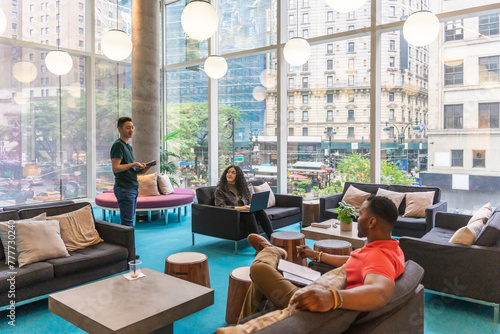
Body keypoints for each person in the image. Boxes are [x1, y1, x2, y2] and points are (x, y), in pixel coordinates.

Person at [237, 194, 405, 322]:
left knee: (259, 268)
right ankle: (242, 323)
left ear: (371, 222)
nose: (356, 218)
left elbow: (381, 293)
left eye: (360, 214)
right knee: (260, 279)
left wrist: (332, 298)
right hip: (321, 283)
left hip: (311, 303)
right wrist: (316, 255)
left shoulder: (379, 256)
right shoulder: (391, 248)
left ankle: (272, 251)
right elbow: (353, 262)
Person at [110, 117, 151, 228]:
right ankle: (127, 245)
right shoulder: (118, 145)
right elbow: (116, 168)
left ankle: (127, 245)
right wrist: (133, 164)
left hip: (132, 187)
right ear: (119, 129)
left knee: (129, 221)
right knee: (127, 222)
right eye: (128, 128)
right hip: (124, 188)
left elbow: (126, 168)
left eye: (132, 128)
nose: (131, 130)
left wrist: (141, 170)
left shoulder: (128, 146)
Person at [214, 165, 274, 239]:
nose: (229, 174)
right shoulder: (220, 190)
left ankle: (272, 239)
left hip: (244, 211)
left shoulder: (242, 188)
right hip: (232, 214)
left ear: (238, 176)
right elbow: (220, 206)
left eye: (233, 173)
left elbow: (248, 200)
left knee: (260, 212)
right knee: (250, 216)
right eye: (228, 172)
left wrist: (251, 205)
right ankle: (258, 244)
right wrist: (241, 208)